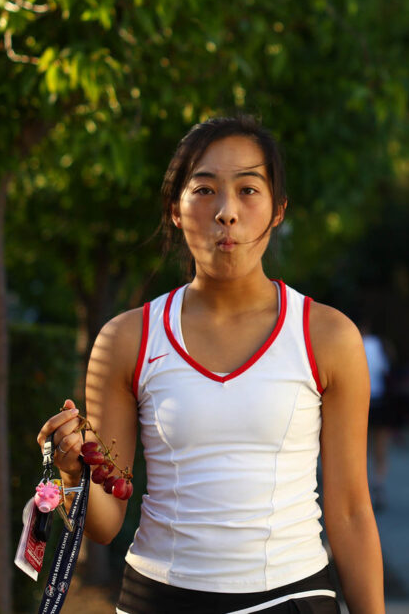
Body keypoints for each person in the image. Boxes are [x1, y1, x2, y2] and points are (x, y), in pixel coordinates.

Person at [38, 116, 385, 613]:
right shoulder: (126, 339)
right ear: (175, 210)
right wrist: (71, 472)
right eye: (204, 190)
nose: (226, 212)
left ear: (278, 210)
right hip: (157, 599)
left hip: (294, 598)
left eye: (248, 190)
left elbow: (350, 512)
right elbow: (106, 521)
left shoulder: (327, 336)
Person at [359, 320, 392, 510]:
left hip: (357, 402)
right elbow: (384, 369)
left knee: (359, 448)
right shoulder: (377, 344)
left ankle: (362, 490)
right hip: (378, 400)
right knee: (380, 446)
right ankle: (378, 484)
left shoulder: (346, 342)